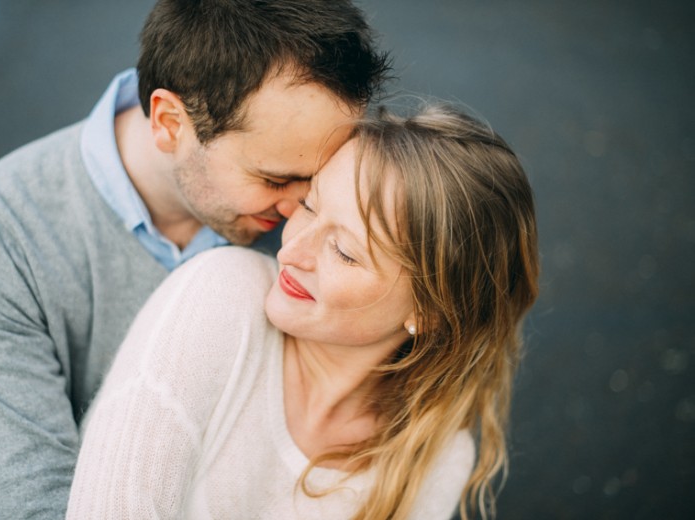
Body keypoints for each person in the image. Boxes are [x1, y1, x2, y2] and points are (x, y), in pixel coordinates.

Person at [0, 1, 390, 518]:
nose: (299, 212)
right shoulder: (0, 231)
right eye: (273, 179)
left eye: (315, 177)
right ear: (170, 122)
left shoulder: (320, 221)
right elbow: (33, 499)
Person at [65, 105, 540, 519]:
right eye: (310, 207)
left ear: (432, 311)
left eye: (346, 252)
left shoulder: (431, 459)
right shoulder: (220, 294)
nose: (292, 250)